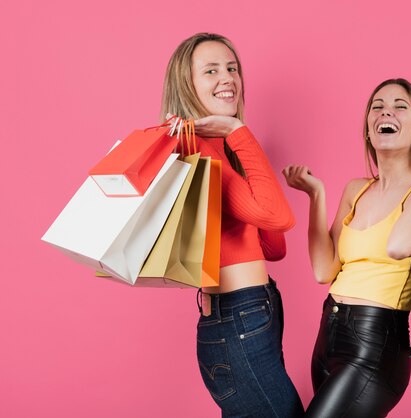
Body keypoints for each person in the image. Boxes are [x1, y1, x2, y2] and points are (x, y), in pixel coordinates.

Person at [283, 78, 411, 417]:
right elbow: (323, 270)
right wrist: (316, 196)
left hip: (375, 346)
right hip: (328, 336)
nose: (387, 111)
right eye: (377, 106)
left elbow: (403, 245)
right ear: (368, 129)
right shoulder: (356, 189)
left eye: (401, 106)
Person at [161, 33, 304, 417]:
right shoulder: (197, 151)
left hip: (255, 309)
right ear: (185, 85)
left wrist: (238, 141)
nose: (227, 78)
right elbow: (279, 218)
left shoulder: (225, 147)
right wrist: (239, 133)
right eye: (211, 71)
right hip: (238, 316)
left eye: (232, 68)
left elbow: (275, 247)